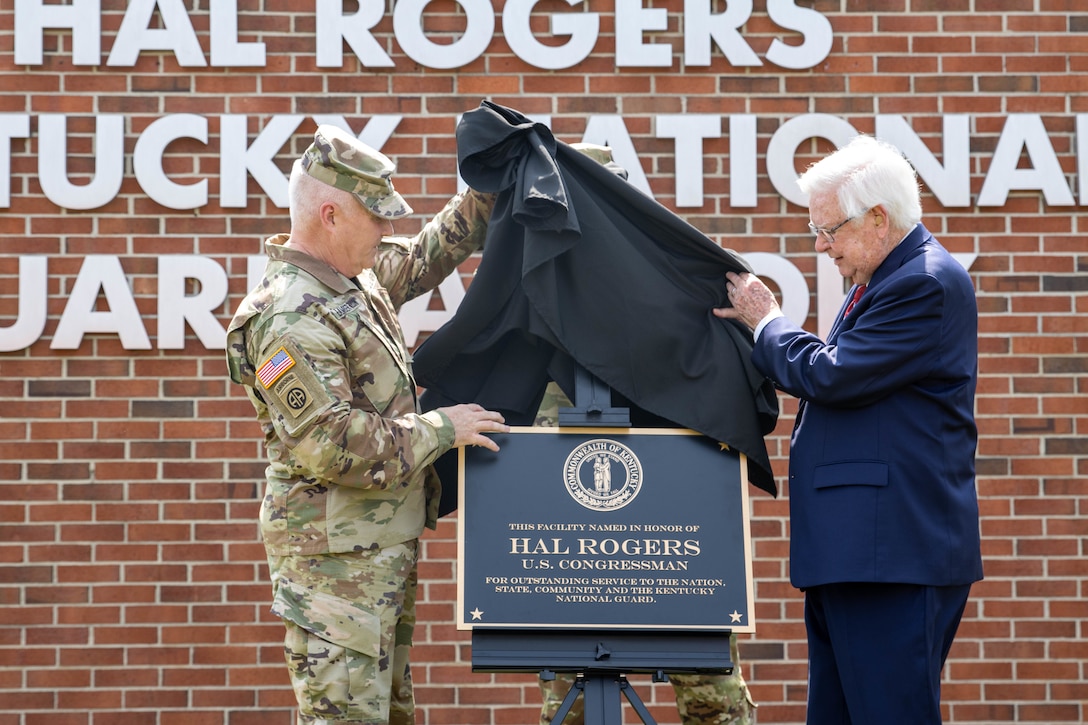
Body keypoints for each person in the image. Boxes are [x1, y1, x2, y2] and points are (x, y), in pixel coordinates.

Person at [225, 124, 509, 725]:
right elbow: (330, 443)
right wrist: (439, 429)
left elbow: (426, 255)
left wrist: (490, 185)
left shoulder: (353, 278)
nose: (386, 230)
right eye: (377, 218)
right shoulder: (288, 315)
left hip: (373, 553)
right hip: (334, 568)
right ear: (330, 214)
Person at [714, 135, 983, 725]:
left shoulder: (923, 283)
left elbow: (832, 376)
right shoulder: (884, 281)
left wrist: (769, 322)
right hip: (862, 554)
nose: (820, 245)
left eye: (828, 229)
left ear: (879, 218)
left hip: (890, 556)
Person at [534, 383, 756, 725]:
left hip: (677, 424)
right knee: (572, 705)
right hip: (575, 553)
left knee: (714, 699)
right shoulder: (547, 368)